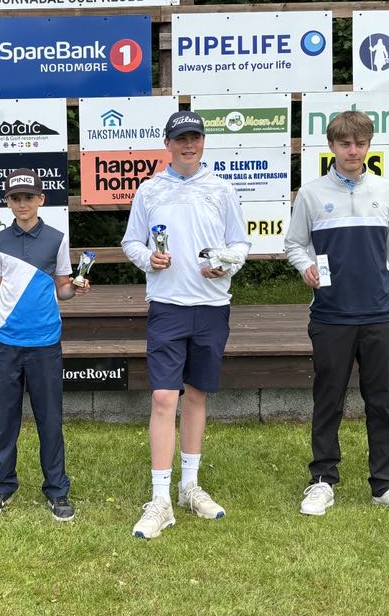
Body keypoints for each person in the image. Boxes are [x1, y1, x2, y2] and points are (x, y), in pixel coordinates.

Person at [284, 110, 389, 518]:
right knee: (327, 400)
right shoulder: (311, 194)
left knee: (379, 402)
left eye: (360, 143)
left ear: (368, 146)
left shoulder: (387, 191)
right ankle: (322, 480)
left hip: (380, 315)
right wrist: (304, 266)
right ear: (331, 146)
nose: (353, 150)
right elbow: (294, 244)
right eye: (345, 143)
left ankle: (385, 484)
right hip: (330, 316)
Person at [121, 111, 251, 539]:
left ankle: (189, 486)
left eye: (195, 138)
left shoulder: (221, 188)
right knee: (163, 396)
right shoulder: (150, 189)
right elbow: (131, 241)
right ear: (168, 144)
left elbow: (240, 243)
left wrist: (226, 265)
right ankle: (160, 498)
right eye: (181, 139)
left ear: (203, 142)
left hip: (212, 305)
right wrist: (148, 258)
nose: (188, 145)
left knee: (196, 394)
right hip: (167, 305)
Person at [0, 168, 89, 521]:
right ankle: (2, 486)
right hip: (5, 340)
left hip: (45, 341)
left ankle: (57, 490)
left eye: (28, 197)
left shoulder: (56, 239)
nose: (22, 204)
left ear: (41, 199)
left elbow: (63, 290)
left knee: (50, 419)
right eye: (15, 198)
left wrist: (76, 288)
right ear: (7, 202)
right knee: (4, 419)